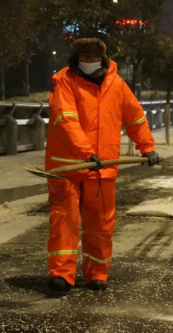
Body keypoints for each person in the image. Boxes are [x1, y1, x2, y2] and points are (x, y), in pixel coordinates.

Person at [45, 36, 159, 293]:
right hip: (68, 165)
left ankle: (97, 272)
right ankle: (62, 274)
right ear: (77, 58)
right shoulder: (63, 81)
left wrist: (147, 147)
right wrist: (85, 152)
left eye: (92, 58)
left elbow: (135, 117)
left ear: (102, 58)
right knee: (65, 219)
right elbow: (66, 120)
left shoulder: (116, 84)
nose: (88, 61)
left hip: (103, 165)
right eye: (84, 57)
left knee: (101, 222)